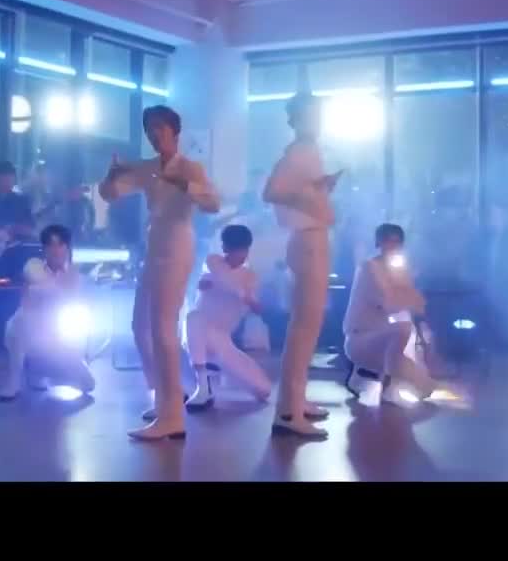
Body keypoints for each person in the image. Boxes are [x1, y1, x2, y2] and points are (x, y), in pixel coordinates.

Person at [100, 105, 220, 441]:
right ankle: (167, 397)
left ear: (174, 132)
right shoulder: (148, 167)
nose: (154, 134)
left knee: (163, 329)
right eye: (150, 129)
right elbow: (110, 194)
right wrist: (111, 175)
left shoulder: (190, 167)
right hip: (154, 248)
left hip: (177, 245)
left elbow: (213, 203)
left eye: (160, 128)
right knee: (140, 326)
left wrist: (185, 184)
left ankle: (172, 417)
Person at [262, 93, 340, 439]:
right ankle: (288, 411)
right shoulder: (299, 151)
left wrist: (317, 190)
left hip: (312, 238)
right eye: (310, 115)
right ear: (295, 119)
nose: (317, 121)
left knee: (308, 325)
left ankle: (296, 400)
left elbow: (295, 192)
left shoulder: (309, 151)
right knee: (304, 326)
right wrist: (308, 194)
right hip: (308, 241)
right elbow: (272, 191)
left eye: (318, 114)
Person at [0, 225, 96, 400]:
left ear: (68, 247)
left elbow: (69, 297)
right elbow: (41, 287)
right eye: (51, 245)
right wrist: (53, 289)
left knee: (88, 385)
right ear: (44, 249)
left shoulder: (75, 272)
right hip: (33, 330)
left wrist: (51, 290)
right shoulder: (33, 266)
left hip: (63, 335)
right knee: (18, 323)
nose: (55, 250)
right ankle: (14, 382)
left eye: (60, 245)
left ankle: (45, 372)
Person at [343, 223, 435, 407]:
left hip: (382, 340)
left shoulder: (398, 270)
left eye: (396, 242)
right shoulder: (369, 268)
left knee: (426, 387)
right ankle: (385, 381)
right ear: (379, 243)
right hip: (360, 338)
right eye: (388, 241)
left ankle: (364, 375)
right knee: (402, 329)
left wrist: (407, 293)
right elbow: (389, 303)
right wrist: (406, 296)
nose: (392, 246)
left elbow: (417, 303)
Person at [184, 224, 272, 411]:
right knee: (193, 318)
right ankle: (203, 386)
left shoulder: (249, 277)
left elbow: (257, 307)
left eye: (244, 250)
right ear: (225, 248)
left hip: (222, 340)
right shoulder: (213, 262)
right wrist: (237, 292)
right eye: (236, 250)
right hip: (197, 335)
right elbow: (218, 276)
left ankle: (212, 368)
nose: (241, 255)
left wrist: (250, 300)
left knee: (263, 390)